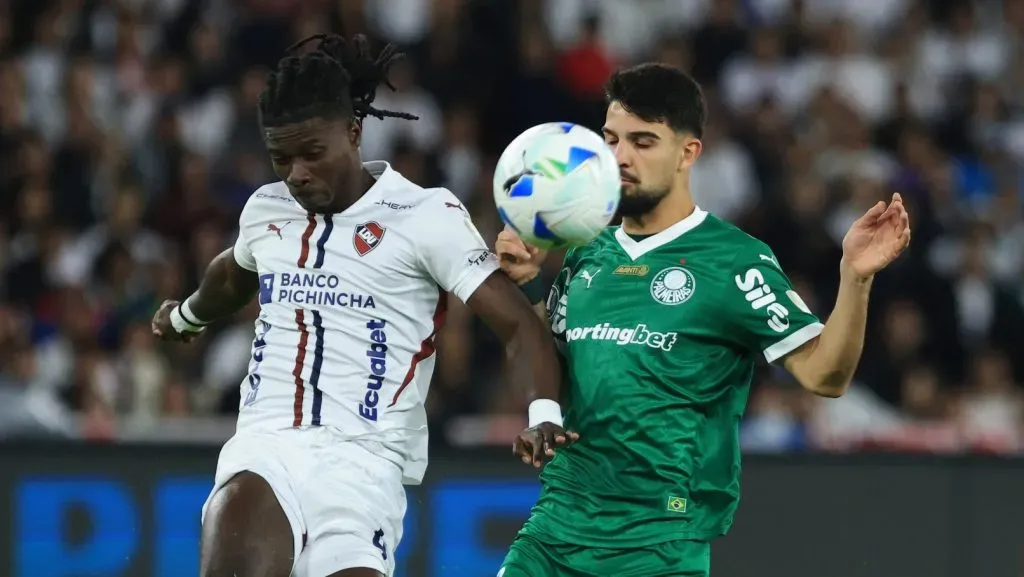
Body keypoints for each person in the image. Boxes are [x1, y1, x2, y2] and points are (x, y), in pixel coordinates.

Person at [150, 34, 566, 577]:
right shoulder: (266, 210)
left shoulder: (424, 215)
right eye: (281, 158)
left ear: (352, 131)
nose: (296, 172)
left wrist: (543, 415)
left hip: (366, 468)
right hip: (268, 444)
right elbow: (232, 272)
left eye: (311, 153)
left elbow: (515, 325)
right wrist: (187, 316)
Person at [495, 63, 911, 577]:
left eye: (643, 142)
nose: (620, 157)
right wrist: (531, 286)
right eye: (611, 139)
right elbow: (554, 370)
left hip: (659, 544)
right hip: (554, 530)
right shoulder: (586, 252)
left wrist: (855, 277)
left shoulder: (735, 262)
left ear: (688, 153)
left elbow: (826, 374)